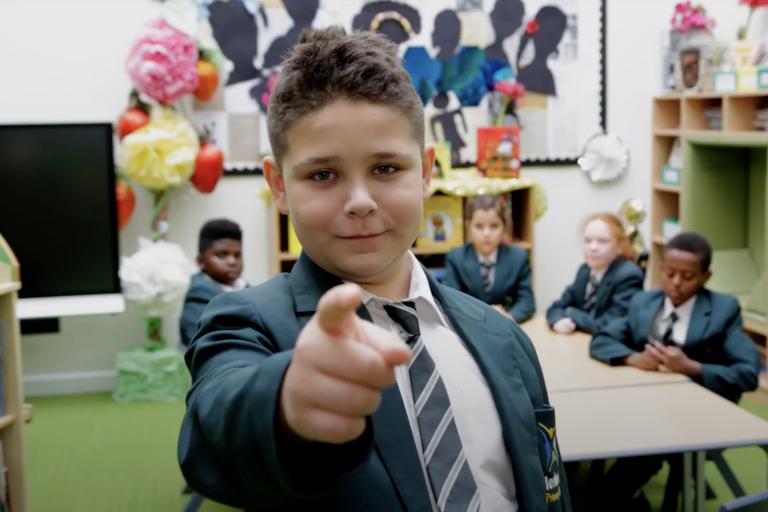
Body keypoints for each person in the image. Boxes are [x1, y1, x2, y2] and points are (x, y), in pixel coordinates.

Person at [178, 27, 569, 512]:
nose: (360, 202)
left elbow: (546, 485)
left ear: (426, 172)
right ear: (278, 185)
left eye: (386, 168)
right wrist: (286, 406)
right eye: (323, 175)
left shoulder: (503, 338)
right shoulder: (244, 321)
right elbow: (218, 421)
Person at [589, 232, 760, 511]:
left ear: (706, 276)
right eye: (669, 273)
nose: (676, 283)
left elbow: (748, 373)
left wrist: (691, 367)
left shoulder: (722, 310)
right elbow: (601, 339)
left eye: (687, 276)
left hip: (700, 415)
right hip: (645, 406)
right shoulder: (644, 303)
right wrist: (634, 358)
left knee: (635, 459)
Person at [442, 195, 535, 323]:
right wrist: (480, 316)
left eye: (494, 226)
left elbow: (527, 302)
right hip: (470, 325)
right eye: (479, 226)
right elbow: (449, 300)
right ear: (469, 227)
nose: (486, 233)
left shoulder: (518, 258)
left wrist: (510, 317)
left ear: (504, 227)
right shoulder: (456, 257)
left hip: (506, 326)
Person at [546, 212, 643, 335]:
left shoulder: (629, 276)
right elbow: (556, 307)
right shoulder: (585, 270)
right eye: (587, 240)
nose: (593, 247)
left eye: (602, 241)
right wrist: (558, 321)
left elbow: (606, 325)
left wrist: (571, 313)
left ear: (619, 246)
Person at [178, 218, 246, 347]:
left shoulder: (247, 288)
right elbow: (202, 346)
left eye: (237, 255)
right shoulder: (198, 296)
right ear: (201, 261)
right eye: (222, 255)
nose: (232, 261)